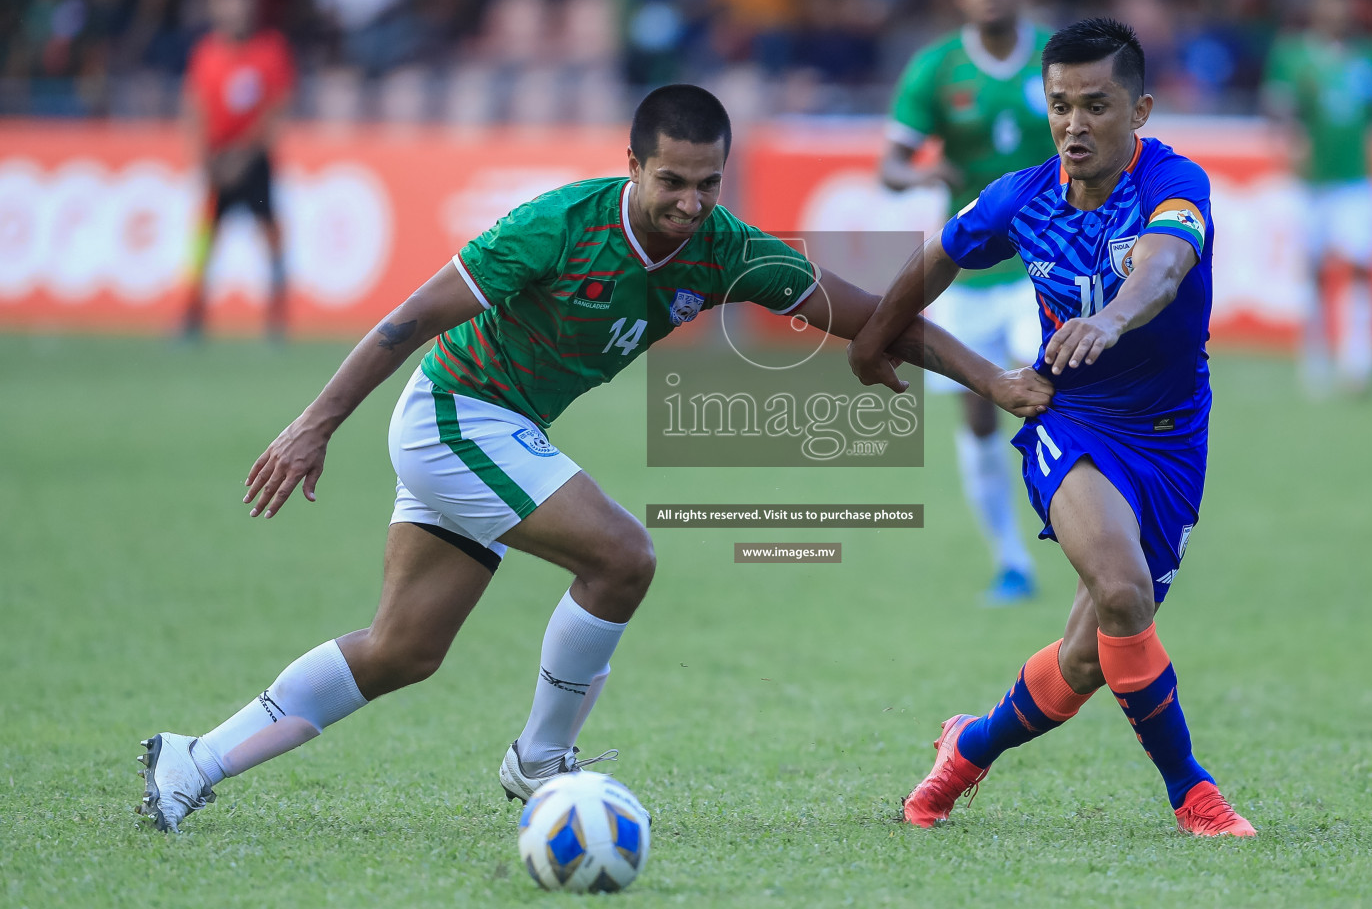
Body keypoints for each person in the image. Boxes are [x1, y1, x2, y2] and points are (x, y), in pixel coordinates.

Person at [135, 84, 1054, 833]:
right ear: (632, 168)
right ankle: (539, 763)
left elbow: (875, 316)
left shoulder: (726, 250)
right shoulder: (558, 225)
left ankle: (194, 760)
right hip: (457, 415)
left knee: (401, 651)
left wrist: (990, 378)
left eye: (709, 183)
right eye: (672, 182)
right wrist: (315, 421)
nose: (692, 204)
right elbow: (407, 320)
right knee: (623, 556)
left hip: (497, 431)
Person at [850, 19, 1255, 837]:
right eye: (1061, 105)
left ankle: (967, 749)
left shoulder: (1175, 182)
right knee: (1122, 591)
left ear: (1139, 109)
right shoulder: (1019, 196)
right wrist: (874, 344)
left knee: (1085, 660)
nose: (1075, 124)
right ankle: (1193, 794)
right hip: (1069, 420)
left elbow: (1165, 267)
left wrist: (1111, 317)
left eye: (1096, 106)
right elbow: (931, 263)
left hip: (1172, 438)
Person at [880, 0, 1056, 605]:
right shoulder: (935, 67)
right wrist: (924, 171)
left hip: (1045, 268)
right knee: (979, 419)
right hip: (964, 273)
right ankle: (1011, 560)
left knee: (1054, 395)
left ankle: (1088, 535)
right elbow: (889, 165)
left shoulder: (1054, 60)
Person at [1262, 0, 1372, 396]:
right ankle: (1315, 357)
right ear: (1315, 12)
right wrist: (1288, 143)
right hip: (1311, 183)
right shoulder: (1293, 56)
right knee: (1316, 267)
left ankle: (1359, 359)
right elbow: (1278, 110)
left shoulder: (1371, 58)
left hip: (1357, 180)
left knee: (1362, 266)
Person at [181, 0, 294, 340]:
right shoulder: (207, 52)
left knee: (269, 234)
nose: (239, 8)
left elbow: (276, 109)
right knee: (205, 238)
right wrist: (204, 157)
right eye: (232, 0)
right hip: (216, 159)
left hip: (253, 160)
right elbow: (195, 106)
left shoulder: (270, 50)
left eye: (245, 1)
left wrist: (243, 155)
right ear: (219, 6)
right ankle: (192, 313)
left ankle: (276, 315)